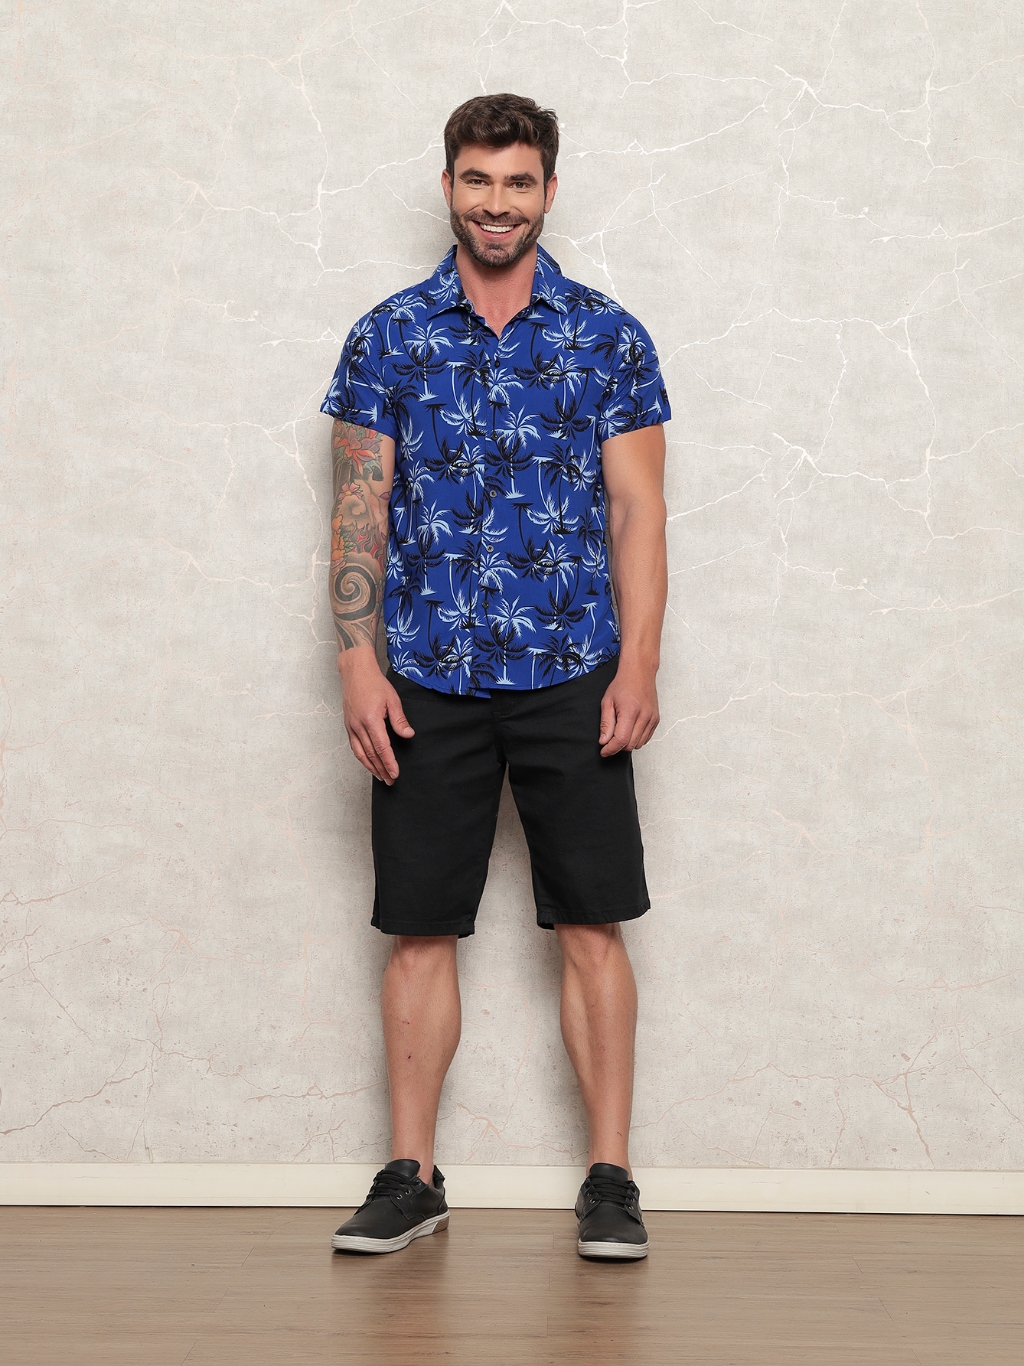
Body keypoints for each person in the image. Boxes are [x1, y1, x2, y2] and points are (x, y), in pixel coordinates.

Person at [321, 93, 669, 1260]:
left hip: (573, 667)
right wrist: (357, 661)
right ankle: (411, 1176)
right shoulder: (386, 336)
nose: (497, 202)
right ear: (449, 187)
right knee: (418, 928)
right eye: (478, 179)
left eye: (518, 182)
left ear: (548, 192)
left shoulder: (609, 337)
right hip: (426, 672)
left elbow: (636, 510)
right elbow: (359, 509)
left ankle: (610, 1178)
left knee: (593, 922)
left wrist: (638, 662)